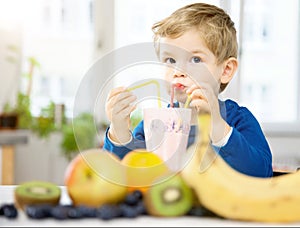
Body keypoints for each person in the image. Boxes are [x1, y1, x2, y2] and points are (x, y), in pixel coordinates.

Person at [103, 2, 273, 178]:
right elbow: (122, 175)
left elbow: (261, 173)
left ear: (226, 70)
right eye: (170, 60)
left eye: (196, 60)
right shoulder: (155, 125)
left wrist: (217, 125)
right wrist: (119, 132)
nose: (179, 72)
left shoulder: (238, 119)